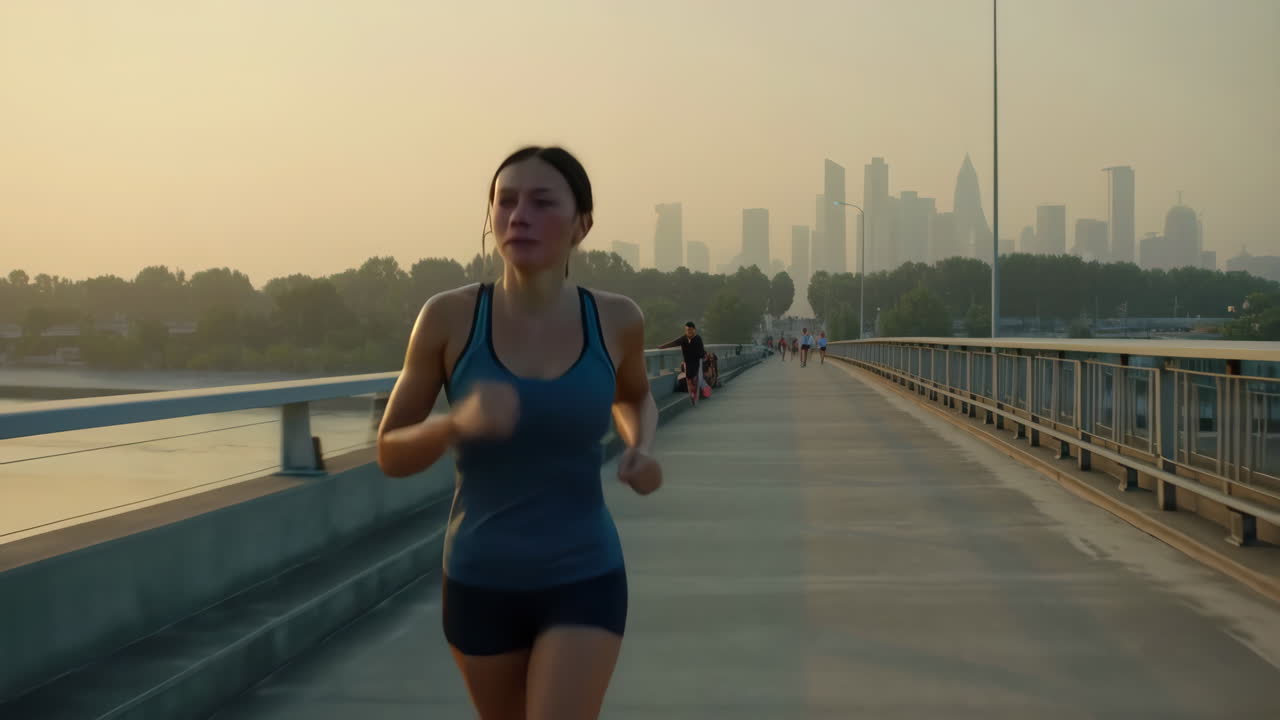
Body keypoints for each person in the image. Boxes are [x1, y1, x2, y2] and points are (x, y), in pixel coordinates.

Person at [376, 146, 662, 720]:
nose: (518, 215)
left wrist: (639, 446)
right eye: (505, 202)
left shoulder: (615, 319)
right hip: (480, 578)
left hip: (585, 573)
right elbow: (390, 450)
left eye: (541, 202)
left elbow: (632, 396)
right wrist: (453, 425)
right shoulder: (449, 319)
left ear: (582, 224)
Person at [658, 321, 707, 407]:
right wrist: (662, 346)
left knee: (694, 379)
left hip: (696, 362)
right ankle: (691, 396)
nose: (689, 332)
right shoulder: (683, 338)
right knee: (688, 379)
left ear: (694, 330)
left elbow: (701, 350)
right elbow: (674, 343)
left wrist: (703, 356)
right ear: (685, 330)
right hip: (687, 362)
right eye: (687, 330)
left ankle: (695, 394)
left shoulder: (698, 338)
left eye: (691, 330)